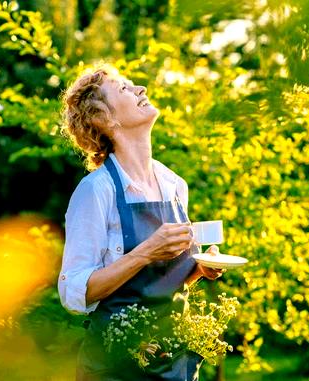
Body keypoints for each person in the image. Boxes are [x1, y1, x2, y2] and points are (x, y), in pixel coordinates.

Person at [58, 65, 224, 381]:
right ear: (104, 120)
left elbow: (161, 285)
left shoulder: (175, 185)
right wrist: (146, 252)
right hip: (115, 367)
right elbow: (74, 294)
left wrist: (199, 269)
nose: (141, 89)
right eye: (124, 89)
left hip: (171, 362)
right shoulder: (96, 191)